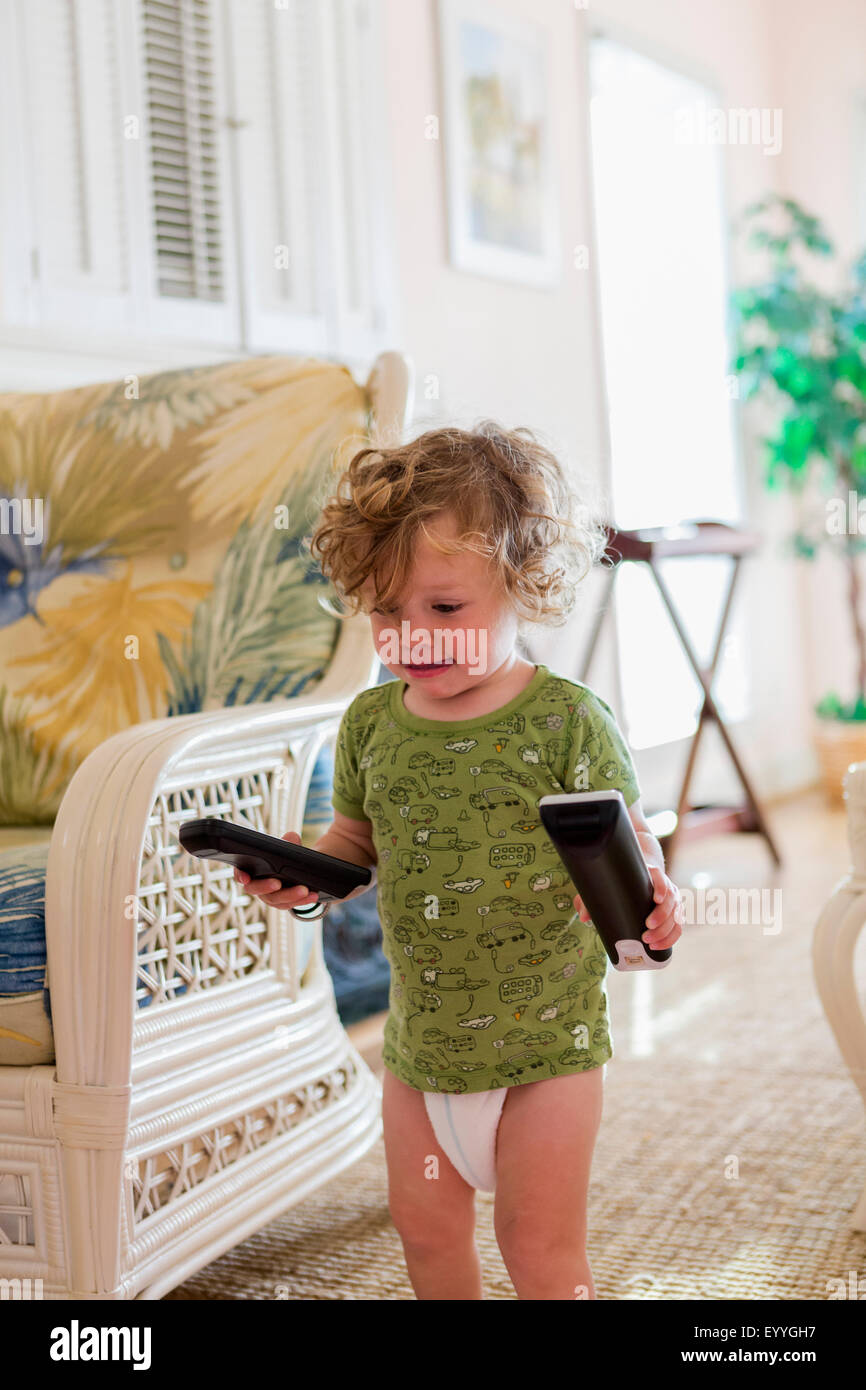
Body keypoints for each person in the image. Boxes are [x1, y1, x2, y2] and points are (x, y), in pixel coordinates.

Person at [235, 422, 683, 1300]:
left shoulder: (566, 719)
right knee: (429, 1241)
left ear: (527, 585)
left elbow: (628, 841)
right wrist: (304, 874)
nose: (415, 636)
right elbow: (352, 847)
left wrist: (656, 891)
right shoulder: (370, 724)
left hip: (545, 1047)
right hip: (419, 1051)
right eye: (386, 612)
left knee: (539, 1251)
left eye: (444, 610)